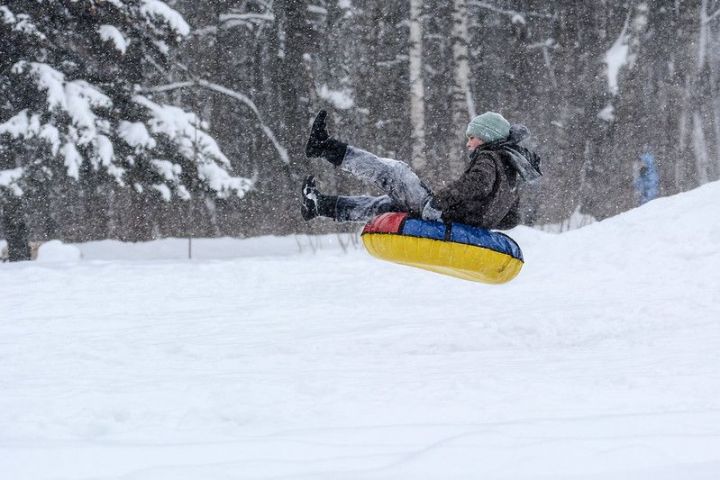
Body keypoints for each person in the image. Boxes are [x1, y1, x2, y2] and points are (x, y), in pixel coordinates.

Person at [301, 110, 541, 230]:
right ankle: (319, 205)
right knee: (385, 206)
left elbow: (477, 183)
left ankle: (324, 147)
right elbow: (512, 219)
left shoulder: (489, 157)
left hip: (441, 212)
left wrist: (440, 203)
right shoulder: (512, 170)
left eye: (473, 137)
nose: (468, 143)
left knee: (394, 172)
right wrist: (475, 224)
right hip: (452, 218)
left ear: (487, 137)